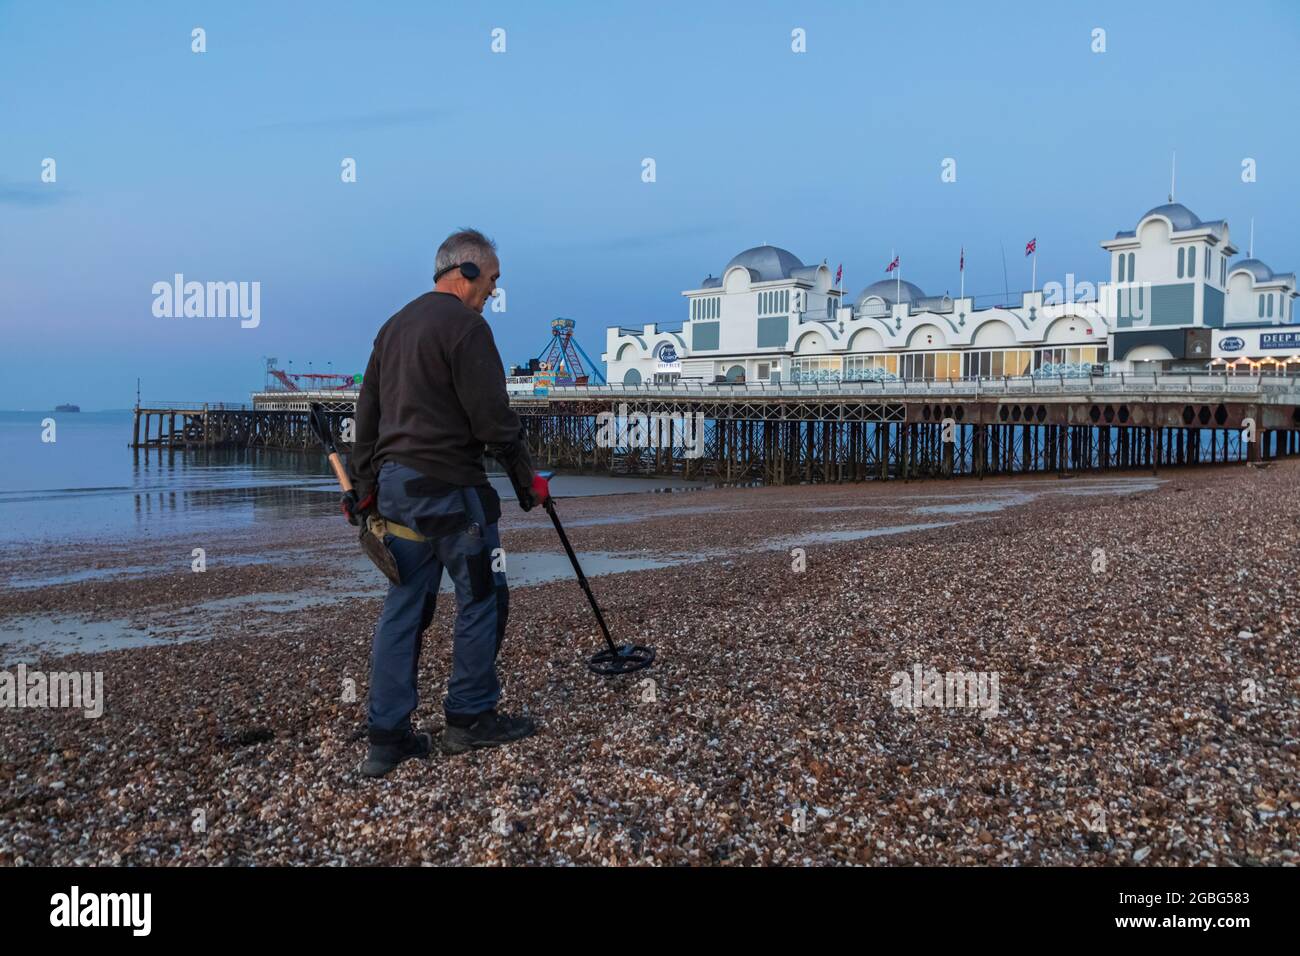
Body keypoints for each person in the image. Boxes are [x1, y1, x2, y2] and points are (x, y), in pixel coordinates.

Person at [343, 228, 551, 777]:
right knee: (482, 595)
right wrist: (527, 480)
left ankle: (386, 738)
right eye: (492, 280)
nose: (494, 293)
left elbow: (367, 419)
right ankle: (470, 717)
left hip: (397, 494)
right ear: (464, 272)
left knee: (405, 606)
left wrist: (364, 495)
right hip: (452, 495)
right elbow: (493, 422)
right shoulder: (467, 329)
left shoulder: (392, 328)